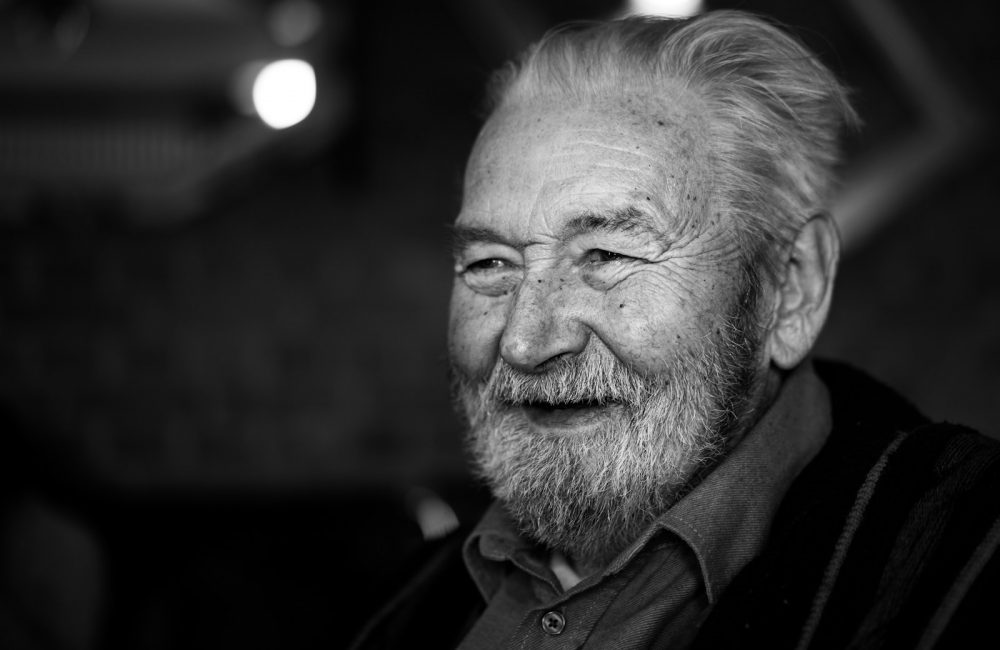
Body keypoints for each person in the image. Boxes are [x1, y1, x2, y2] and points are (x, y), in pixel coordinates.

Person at [353, 9, 1000, 649]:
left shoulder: (967, 566)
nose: (525, 340)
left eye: (607, 255)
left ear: (793, 287)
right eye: (491, 264)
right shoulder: (393, 610)